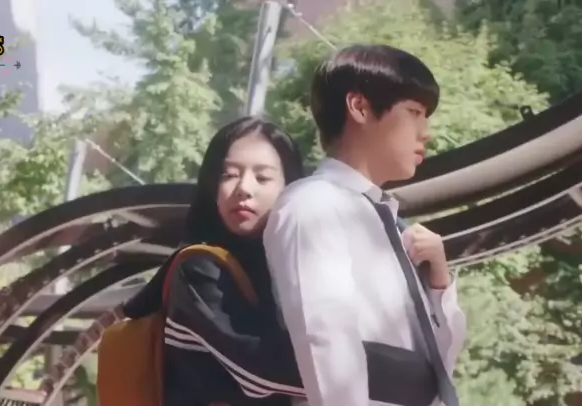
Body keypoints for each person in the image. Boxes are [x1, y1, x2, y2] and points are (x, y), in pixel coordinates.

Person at [263, 44, 467, 406]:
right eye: (414, 112)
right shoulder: (314, 206)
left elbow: (437, 369)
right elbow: (327, 345)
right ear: (359, 107)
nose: (426, 132)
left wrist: (439, 285)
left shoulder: (387, 220)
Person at [126, 116, 308, 406]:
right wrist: (374, 370)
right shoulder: (199, 269)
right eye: (229, 175)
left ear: (290, 189)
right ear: (211, 187)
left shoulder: (294, 264)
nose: (244, 188)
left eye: (262, 178)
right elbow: (260, 372)